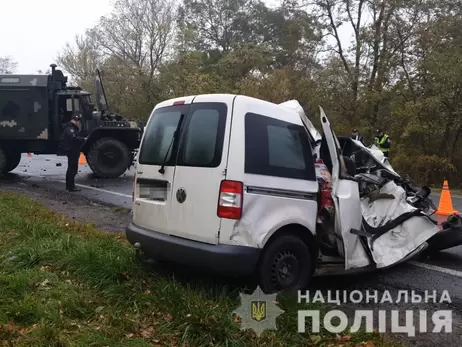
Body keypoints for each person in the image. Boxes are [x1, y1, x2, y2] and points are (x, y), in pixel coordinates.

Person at [61, 114, 87, 192]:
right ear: (74, 120)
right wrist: (83, 139)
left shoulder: (71, 128)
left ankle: (71, 186)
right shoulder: (70, 128)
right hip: (72, 150)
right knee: (72, 168)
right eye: (77, 121)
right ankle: (70, 186)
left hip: (73, 150)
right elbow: (74, 138)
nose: (78, 122)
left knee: (73, 168)